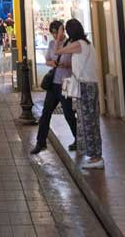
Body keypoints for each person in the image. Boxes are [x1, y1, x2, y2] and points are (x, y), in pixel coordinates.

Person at [54, 19, 104, 169]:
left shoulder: (78, 45)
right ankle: (95, 156)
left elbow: (57, 51)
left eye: (67, 31)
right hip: (91, 85)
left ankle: (96, 158)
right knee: (91, 120)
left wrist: (59, 37)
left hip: (85, 86)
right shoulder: (86, 44)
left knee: (88, 121)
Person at [31, 20, 77, 155]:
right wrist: (52, 63)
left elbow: (75, 63)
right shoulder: (51, 44)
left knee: (68, 114)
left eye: (56, 33)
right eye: (53, 34)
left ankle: (79, 138)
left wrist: (67, 66)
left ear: (62, 31)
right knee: (45, 113)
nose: (55, 36)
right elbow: (47, 60)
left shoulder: (70, 44)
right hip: (53, 84)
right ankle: (41, 142)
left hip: (65, 84)